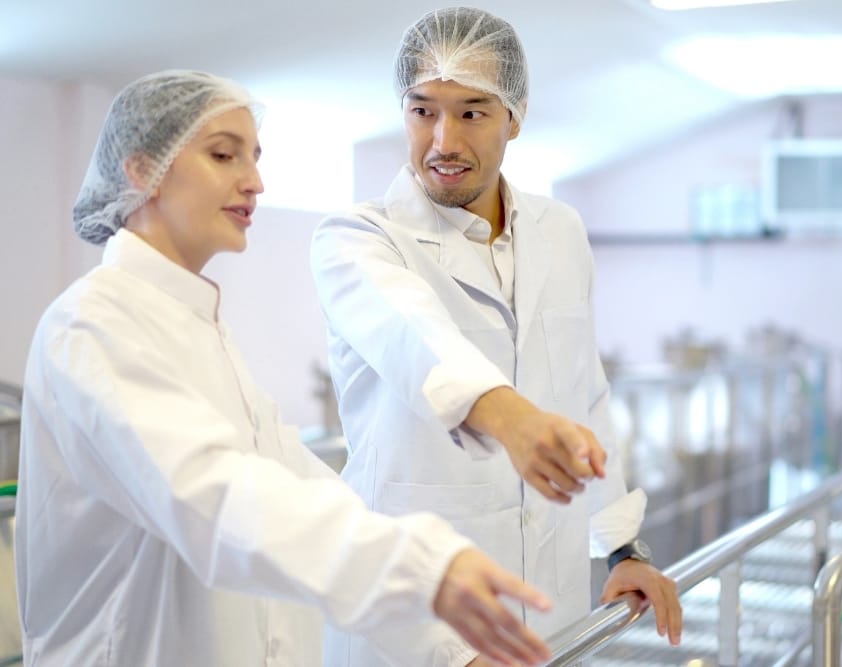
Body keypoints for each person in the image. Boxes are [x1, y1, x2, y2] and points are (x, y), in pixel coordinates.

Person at [14, 69, 554, 667]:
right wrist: (422, 569)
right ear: (142, 171)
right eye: (224, 155)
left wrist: (452, 650)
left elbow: (299, 486)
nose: (254, 182)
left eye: (255, 157)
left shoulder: (199, 329)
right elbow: (216, 497)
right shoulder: (93, 325)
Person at [310, 7, 683, 666]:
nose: (443, 140)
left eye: (472, 112)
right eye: (423, 111)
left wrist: (622, 548)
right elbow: (416, 339)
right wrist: (513, 421)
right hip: (416, 626)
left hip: (547, 612)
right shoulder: (357, 240)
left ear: (515, 116)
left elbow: (584, 394)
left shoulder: (559, 231)